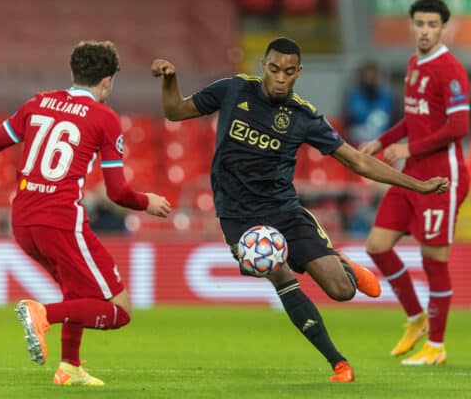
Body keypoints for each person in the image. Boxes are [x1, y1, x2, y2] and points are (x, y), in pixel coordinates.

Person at [151, 36, 449, 382]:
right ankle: (339, 364)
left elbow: (357, 161)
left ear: (298, 73)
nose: (280, 77)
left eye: (288, 72)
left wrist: (418, 184)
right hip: (238, 217)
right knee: (279, 274)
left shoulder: (302, 117)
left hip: (284, 211)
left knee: (342, 291)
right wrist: (170, 80)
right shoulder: (234, 90)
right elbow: (175, 111)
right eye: (274, 69)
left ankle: (341, 263)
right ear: (264, 66)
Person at [0, 40, 172, 386]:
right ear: (108, 81)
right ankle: (43, 314)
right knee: (120, 309)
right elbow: (117, 192)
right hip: (61, 220)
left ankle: (69, 367)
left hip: (22, 220)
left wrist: (29, 122)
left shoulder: (37, 103)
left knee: (78, 295)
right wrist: (148, 202)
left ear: (73, 72)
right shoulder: (104, 118)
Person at [359, 0, 470, 365]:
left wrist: (409, 147)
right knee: (377, 245)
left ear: (444, 29)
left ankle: (436, 346)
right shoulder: (413, 64)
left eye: (431, 24)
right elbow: (414, 117)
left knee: (433, 260)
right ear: (411, 25)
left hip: (442, 179)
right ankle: (415, 318)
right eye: (419, 23)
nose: (424, 30)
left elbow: (458, 127)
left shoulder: (450, 70)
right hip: (411, 177)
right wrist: (383, 141)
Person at [343, 61, 394, 147]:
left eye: (372, 76)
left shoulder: (387, 96)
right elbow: (347, 120)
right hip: (359, 133)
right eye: (366, 76)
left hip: (381, 134)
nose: (369, 80)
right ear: (361, 77)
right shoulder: (354, 96)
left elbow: (392, 119)